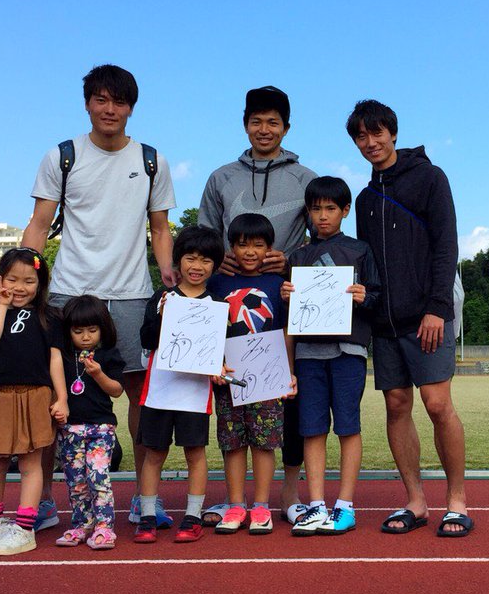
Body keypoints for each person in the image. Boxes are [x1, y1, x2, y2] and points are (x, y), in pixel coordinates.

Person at [21, 64, 177, 532]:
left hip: (132, 294)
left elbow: (160, 229)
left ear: (131, 107)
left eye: (120, 101)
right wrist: (23, 280)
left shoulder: (152, 160)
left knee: (137, 395)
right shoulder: (63, 156)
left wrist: (169, 280)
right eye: (101, 100)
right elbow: (39, 223)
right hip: (69, 292)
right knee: (54, 395)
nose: (110, 110)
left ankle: (140, 499)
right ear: (87, 102)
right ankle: (45, 500)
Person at [347, 100, 472, 538]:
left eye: (376, 133)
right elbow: (364, 262)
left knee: (438, 405)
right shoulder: (363, 199)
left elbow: (446, 246)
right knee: (397, 405)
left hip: (428, 316)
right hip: (385, 321)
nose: (370, 143)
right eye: (361, 137)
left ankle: (456, 502)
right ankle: (415, 502)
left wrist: (438, 307)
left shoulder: (430, 178)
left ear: (393, 133)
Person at [197, 85, 316, 522]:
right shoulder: (221, 177)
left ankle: (284, 491)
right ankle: (235, 500)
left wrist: (293, 258)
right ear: (244, 124)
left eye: (273, 122)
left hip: (283, 305)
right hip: (230, 309)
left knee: (288, 405)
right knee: (233, 417)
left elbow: (320, 238)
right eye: (256, 121)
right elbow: (203, 235)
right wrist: (218, 259)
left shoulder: (305, 178)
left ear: (287, 126)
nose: (264, 130)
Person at [281, 177, 381, 536]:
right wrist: (286, 294)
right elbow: (289, 314)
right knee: (312, 428)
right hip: (308, 354)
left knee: (348, 426)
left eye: (330, 209)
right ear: (308, 212)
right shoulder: (298, 256)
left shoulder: (360, 250)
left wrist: (363, 296)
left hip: (348, 350)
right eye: (316, 209)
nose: (323, 216)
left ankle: (345, 506)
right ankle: (317, 504)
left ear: (344, 211)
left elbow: (378, 296)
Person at [0, 248, 68, 556]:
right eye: (13, 280)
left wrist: (62, 398)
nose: (20, 287)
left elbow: (55, 360)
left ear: (40, 284)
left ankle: (25, 528)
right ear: (0, 280)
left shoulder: (49, 318)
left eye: (29, 281)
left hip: (35, 396)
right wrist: (2, 305)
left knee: (32, 464)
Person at [134, 225, 227, 543]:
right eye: (190, 258)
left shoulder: (217, 305)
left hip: (194, 394)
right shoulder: (161, 298)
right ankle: (146, 516)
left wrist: (219, 366)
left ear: (214, 265)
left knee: (195, 453)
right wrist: (161, 315)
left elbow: (220, 351)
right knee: (154, 453)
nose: (197, 266)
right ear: (178, 261)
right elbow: (146, 338)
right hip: (160, 390)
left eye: (205, 260)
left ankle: (192, 515)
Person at [207, 214, 296, 534]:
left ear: (270, 248)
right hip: (228, 376)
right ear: (231, 247)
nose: (249, 252)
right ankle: (235, 505)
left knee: (263, 443)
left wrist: (289, 371)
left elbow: (287, 330)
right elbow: (208, 328)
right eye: (242, 244)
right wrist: (212, 363)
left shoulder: (278, 285)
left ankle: (260, 506)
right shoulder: (216, 283)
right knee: (232, 443)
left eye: (258, 245)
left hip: (268, 377)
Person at [54, 295, 125, 550]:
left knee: (98, 476)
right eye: (78, 331)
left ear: (102, 329)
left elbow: (116, 390)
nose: (85, 336)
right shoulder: (63, 357)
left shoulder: (107, 355)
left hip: (100, 427)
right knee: (76, 480)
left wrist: (98, 374)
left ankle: (105, 527)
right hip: (70, 428)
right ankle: (81, 523)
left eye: (92, 330)